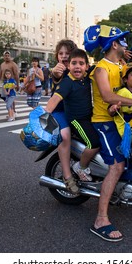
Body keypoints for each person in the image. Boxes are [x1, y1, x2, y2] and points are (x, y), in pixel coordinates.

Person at [84, 25, 132, 242]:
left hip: (120, 120)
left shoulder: (122, 65)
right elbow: (106, 95)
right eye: (123, 41)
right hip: (104, 123)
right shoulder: (101, 69)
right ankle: (101, 220)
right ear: (114, 44)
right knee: (117, 166)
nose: (126, 45)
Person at [45, 49, 100, 191]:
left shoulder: (87, 76)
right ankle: (80, 167)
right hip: (77, 120)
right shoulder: (67, 82)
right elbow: (55, 98)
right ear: (68, 66)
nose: (77, 66)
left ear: (87, 66)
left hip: (90, 117)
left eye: (81, 63)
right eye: (74, 63)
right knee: (94, 143)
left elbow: (105, 65)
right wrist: (45, 115)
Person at [49, 39, 78, 189]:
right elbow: (56, 76)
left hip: (76, 112)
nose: (64, 56)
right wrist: (55, 74)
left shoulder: (78, 68)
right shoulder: (58, 70)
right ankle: (68, 177)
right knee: (65, 136)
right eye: (61, 53)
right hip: (60, 111)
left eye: (68, 53)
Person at [109, 62, 132, 146]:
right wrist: (113, 108)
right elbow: (110, 110)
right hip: (126, 130)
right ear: (125, 79)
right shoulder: (123, 92)